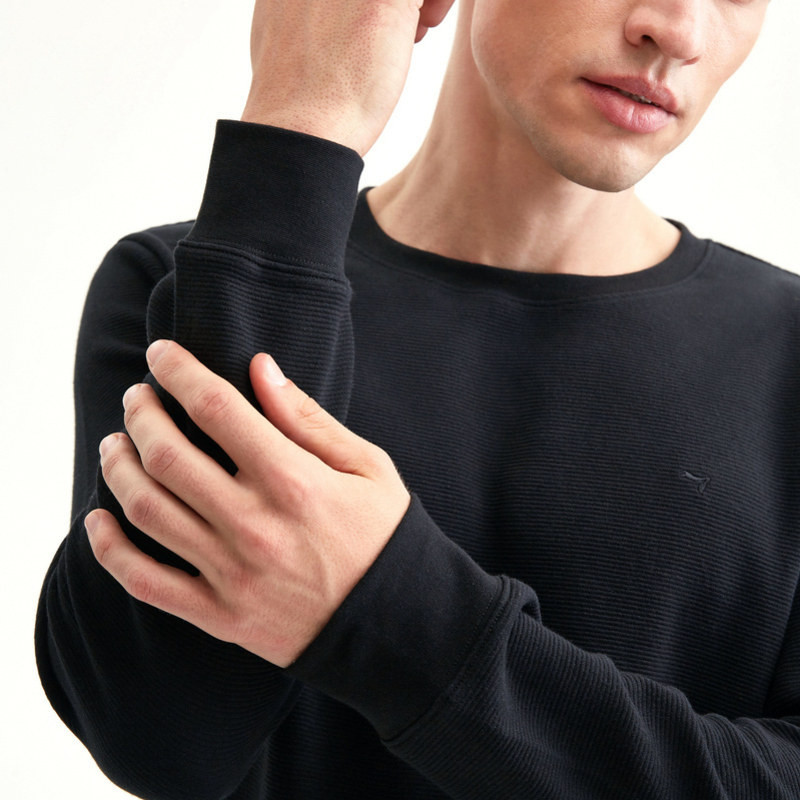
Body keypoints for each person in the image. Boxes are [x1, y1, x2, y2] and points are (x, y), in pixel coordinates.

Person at [35, 0, 800, 797]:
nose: (676, 30)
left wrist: (385, 609)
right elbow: (164, 744)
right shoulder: (188, 287)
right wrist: (302, 122)